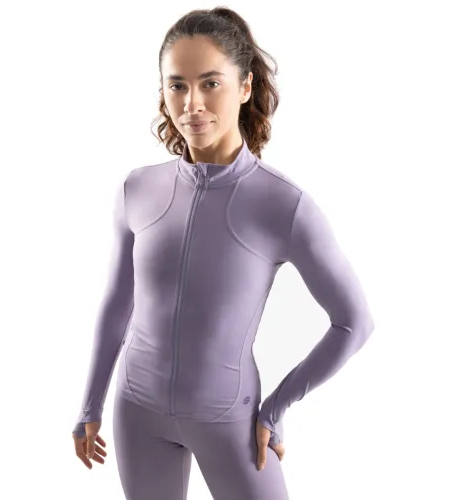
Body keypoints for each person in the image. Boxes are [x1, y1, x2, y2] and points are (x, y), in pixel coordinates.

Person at [71, 6, 375, 500]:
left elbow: (354, 322)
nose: (192, 103)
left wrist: (276, 408)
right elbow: (117, 304)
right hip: (137, 414)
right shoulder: (137, 189)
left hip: (230, 420)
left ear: (245, 87)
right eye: (177, 85)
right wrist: (90, 405)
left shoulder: (283, 204)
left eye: (210, 83)